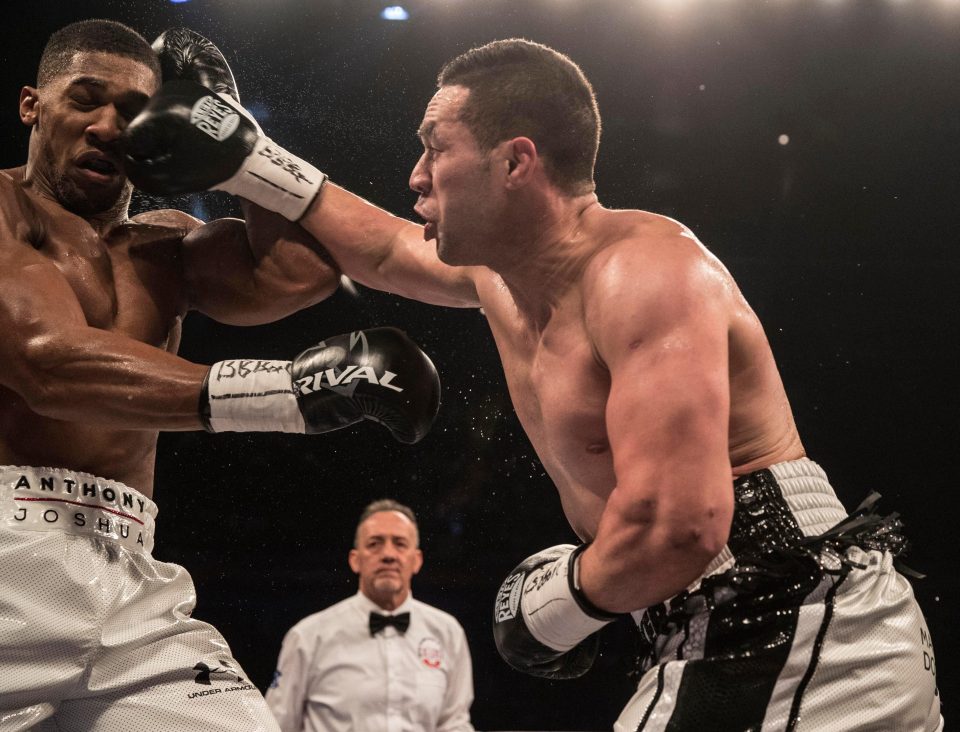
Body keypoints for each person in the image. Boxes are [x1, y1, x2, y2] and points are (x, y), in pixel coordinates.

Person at [123, 37, 943, 730]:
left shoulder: (646, 272)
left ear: (515, 162)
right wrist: (245, 158)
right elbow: (377, 249)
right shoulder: (498, 278)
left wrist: (559, 604)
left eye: (435, 148)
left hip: (783, 609)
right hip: (720, 620)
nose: (415, 175)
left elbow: (684, 525)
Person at [0, 20, 441, 731]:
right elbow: (48, 361)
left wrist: (237, 151)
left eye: (134, 112)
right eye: (85, 100)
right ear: (32, 105)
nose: (109, 126)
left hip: (130, 575)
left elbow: (304, 270)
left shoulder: (167, 243)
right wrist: (284, 396)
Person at [266, 499, 475, 731]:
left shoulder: (448, 632)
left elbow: (454, 724)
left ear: (416, 561)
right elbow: (276, 725)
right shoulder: (308, 636)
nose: (388, 554)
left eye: (400, 543)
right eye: (375, 543)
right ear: (355, 560)